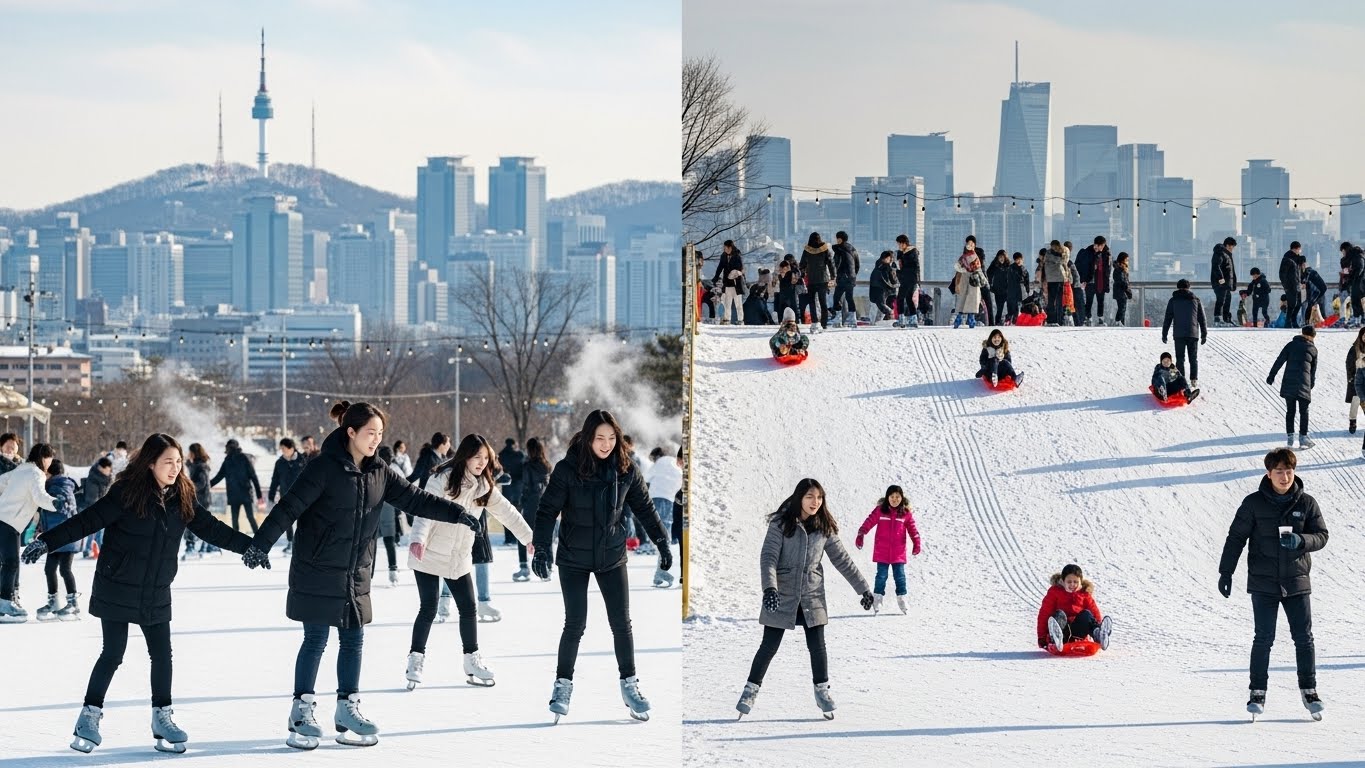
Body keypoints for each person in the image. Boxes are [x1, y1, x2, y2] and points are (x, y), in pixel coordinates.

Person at [242, 401, 480, 749]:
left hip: (356, 572)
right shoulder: (321, 468)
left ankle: (347, 708)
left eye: (380, 434)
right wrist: (260, 543)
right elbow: (289, 506)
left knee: (354, 640)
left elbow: (416, 499)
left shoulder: (379, 471)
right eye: (371, 433)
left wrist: (456, 512)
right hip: (317, 568)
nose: (376, 440)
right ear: (350, 432)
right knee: (316, 639)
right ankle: (301, 709)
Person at [20, 433, 256, 753]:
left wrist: (250, 547)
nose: (175, 469)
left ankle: (163, 717)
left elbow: (212, 529)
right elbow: (87, 521)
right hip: (117, 584)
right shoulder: (126, 493)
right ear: (150, 464)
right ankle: (89, 717)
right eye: (167, 462)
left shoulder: (183, 496)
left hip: (156, 587)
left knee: (162, 655)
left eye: (178, 462)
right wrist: (47, 541)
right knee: (113, 654)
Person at [530, 409, 672, 723]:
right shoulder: (568, 469)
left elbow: (645, 508)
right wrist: (541, 549)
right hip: (572, 558)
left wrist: (662, 542)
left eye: (611, 438)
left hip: (611, 556)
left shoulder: (626, 469)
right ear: (589, 438)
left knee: (621, 623)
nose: (606, 444)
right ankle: (562, 686)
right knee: (575, 623)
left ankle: (630, 685)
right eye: (600, 438)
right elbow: (546, 510)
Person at [405, 434, 534, 691]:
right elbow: (424, 510)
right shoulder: (442, 479)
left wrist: (529, 538)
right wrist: (417, 539)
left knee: (469, 608)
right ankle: (415, 661)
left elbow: (508, 512)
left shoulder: (484, 487)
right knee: (429, 608)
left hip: (458, 556)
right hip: (429, 552)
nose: (481, 462)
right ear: (465, 456)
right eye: (477, 457)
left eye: (485, 458)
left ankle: (471, 661)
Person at [735, 478, 872, 720]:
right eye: (810, 497)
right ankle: (749, 692)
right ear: (799, 497)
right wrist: (770, 589)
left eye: (819, 498)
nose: (815, 502)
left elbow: (842, 559)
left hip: (812, 593)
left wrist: (863, 589)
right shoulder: (781, 523)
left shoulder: (824, 526)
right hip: (782, 593)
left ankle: (822, 692)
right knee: (769, 646)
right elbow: (768, 557)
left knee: (817, 646)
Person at [1218, 448, 1328, 719]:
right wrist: (1226, 572)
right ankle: (1257, 692)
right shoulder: (1253, 503)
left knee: (1304, 639)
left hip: (1297, 580)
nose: (1285, 476)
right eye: (1279, 471)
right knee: (1263, 638)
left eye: (1289, 471)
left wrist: (1302, 541)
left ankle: (1309, 689)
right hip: (1263, 582)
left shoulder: (1307, 503)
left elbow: (1322, 535)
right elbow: (1235, 538)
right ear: (1269, 473)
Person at [0, 443, 56, 622]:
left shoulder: (20, 469)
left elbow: (1, 481)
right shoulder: (36, 474)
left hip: (3, 518)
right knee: (11, 563)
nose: (50, 463)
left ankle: (5, 601)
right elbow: (40, 497)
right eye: (50, 458)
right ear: (44, 458)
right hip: (10, 522)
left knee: (8, 563)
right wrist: (56, 503)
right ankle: (4, 603)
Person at [854, 485, 920, 615]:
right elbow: (869, 521)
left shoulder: (905, 514)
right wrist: (861, 534)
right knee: (881, 576)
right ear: (887, 497)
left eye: (897, 497)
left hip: (898, 552)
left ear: (902, 498)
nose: (895, 499)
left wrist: (916, 542)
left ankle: (902, 598)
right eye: (892, 497)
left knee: (900, 577)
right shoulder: (880, 511)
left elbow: (912, 529)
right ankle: (877, 599)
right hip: (882, 551)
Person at [35, 458, 81, 621]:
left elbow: (63, 504)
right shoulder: (55, 485)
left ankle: (73, 604)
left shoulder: (59, 485)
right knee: (49, 569)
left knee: (64, 569)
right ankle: (53, 601)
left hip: (66, 537)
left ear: (49, 472)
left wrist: (58, 502)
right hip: (55, 537)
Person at [1037, 563, 1113, 651]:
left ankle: (1098, 634)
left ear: (1081, 582)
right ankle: (1056, 637)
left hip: (1078, 632)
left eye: (1075, 582)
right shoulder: (1054, 593)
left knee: (1087, 614)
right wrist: (1042, 638)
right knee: (1059, 614)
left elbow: (1094, 612)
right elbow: (1044, 614)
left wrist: (1099, 625)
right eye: (1069, 582)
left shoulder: (1085, 594)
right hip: (1063, 630)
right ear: (1062, 581)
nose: (1072, 584)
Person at [1268, 325, 1319, 449]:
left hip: (1290, 382)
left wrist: (1272, 375)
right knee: (1303, 411)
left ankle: (1291, 438)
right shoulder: (1312, 349)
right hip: (1303, 383)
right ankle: (1302, 438)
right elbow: (1313, 371)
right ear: (1309, 336)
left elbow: (1279, 360)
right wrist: (1311, 383)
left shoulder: (1291, 345)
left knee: (1291, 411)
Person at [513, 437, 552, 581]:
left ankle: (524, 566)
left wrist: (521, 502)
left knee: (523, 534)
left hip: (530, 504)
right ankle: (547, 566)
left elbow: (526, 486)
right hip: (545, 504)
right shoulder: (547, 465)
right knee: (544, 536)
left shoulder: (527, 466)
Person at [645, 445, 683, 585]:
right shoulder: (674, 461)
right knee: (665, 535)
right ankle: (661, 571)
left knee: (662, 536)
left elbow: (646, 477)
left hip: (656, 498)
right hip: (671, 499)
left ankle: (661, 571)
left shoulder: (658, 464)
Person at [1162, 278, 1208, 389]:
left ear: (1178, 287)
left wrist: (1164, 333)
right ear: (1189, 287)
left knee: (1180, 359)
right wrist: (1204, 333)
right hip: (1193, 334)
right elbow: (1202, 318)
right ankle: (1194, 379)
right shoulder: (1195, 300)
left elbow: (1168, 318)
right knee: (1193, 358)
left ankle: (1181, 381)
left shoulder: (1173, 300)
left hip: (1179, 334)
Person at [211, 439, 262, 534]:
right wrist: (259, 495)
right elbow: (253, 476)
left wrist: (208, 485)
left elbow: (219, 476)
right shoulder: (240, 458)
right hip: (244, 493)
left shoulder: (231, 460)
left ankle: (237, 543)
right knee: (249, 517)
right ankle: (259, 540)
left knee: (236, 520)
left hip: (235, 494)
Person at [268, 438, 306, 556]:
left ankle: (302, 544)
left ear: (291, 448)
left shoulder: (303, 460)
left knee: (303, 521)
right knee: (288, 522)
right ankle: (290, 542)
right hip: (286, 497)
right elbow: (275, 480)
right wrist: (271, 495)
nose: (282, 451)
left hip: (302, 497)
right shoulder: (279, 463)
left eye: (283, 449)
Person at [182, 444, 216, 558]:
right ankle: (204, 545)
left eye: (189, 452)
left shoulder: (202, 466)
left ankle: (199, 545)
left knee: (195, 523)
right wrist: (188, 464)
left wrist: (188, 487)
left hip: (203, 500)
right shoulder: (196, 465)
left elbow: (202, 483)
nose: (188, 454)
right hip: (198, 499)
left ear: (194, 453)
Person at [799, 232, 836, 331]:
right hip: (823, 279)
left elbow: (802, 264)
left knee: (812, 302)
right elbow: (831, 263)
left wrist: (803, 272)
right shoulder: (824, 249)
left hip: (811, 279)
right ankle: (824, 324)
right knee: (822, 302)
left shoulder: (807, 250)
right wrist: (833, 276)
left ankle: (814, 322)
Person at [80, 456, 114, 558]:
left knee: (100, 530)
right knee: (94, 530)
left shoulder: (106, 478)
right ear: (101, 468)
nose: (109, 472)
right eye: (108, 469)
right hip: (93, 507)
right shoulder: (93, 479)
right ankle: (88, 550)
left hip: (102, 508)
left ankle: (98, 549)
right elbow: (92, 498)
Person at [1075, 236, 1112, 326]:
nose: (1101, 247)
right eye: (1100, 245)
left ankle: (1100, 318)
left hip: (1101, 280)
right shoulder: (1088, 252)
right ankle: (1088, 318)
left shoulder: (1106, 253)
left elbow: (1108, 268)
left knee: (1101, 300)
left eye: (1102, 245)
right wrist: (1084, 279)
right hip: (1090, 281)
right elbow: (1083, 266)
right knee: (1089, 300)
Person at [952, 235, 986, 329]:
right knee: (962, 298)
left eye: (971, 243)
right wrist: (957, 284)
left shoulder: (977, 255)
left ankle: (971, 318)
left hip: (974, 279)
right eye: (968, 243)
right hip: (964, 278)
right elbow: (958, 270)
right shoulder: (963, 257)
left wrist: (983, 280)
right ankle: (959, 318)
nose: (969, 245)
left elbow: (980, 269)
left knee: (973, 298)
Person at [497, 438, 526, 545]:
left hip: (506, 487)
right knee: (517, 513)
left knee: (506, 512)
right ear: (514, 444)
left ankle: (508, 538)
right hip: (518, 487)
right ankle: (517, 536)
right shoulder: (520, 455)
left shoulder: (501, 455)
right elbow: (524, 469)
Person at [829, 231, 861, 328]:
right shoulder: (853, 249)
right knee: (849, 298)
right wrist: (853, 275)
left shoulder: (839, 249)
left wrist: (834, 276)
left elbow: (836, 264)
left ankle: (838, 318)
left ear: (840, 239)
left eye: (837, 238)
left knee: (837, 298)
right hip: (851, 278)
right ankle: (853, 318)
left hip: (842, 277)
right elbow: (857, 265)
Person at [713, 239, 746, 325]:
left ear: (730, 247)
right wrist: (716, 277)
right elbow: (720, 267)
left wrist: (736, 273)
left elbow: (741, 268)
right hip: (727, 283)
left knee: (738, 303)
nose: (725, 249)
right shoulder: (723, 256)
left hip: (736, 283)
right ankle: (727, 319)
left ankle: (740, 320)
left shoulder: (737, 255)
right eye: (724, 248)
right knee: (727, 303)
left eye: (726, 248)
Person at [1211, 236, 1239, 326]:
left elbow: (1231, 271)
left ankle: (1226, 319)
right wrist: (1221, 279)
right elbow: (1216, 266)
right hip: (1220, 283)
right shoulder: (1219, 252)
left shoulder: (1227, 254)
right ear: (1227, 245)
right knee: (1221, 300)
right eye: (1231, 247)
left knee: (1227, 299)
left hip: (1226, 283)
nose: (1232, 249)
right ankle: (1217, 318)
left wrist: (1232, 283)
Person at [894, 235, 921, 328]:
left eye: (899, 244)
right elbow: (899, 265)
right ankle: (913, 319)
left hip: (910, 278)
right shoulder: (901, 253)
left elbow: (915, 267)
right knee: (909, 298)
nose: (899, 246)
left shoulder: (912, 252)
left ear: (904, 243)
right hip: (906, 278)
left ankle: (901, 319)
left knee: (900, 298)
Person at [1041, 241, 1069, 325]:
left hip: (1058, 279)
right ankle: (1054, 320)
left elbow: (1064, 261)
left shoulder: (1052, 254)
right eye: (1053, 247)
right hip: (1054, 280)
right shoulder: (1050, 254)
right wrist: (1061, 256)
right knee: (1053, 301)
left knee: (1057, 301)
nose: (1055, 248)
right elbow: (1061, 261)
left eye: (1056, 247)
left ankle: (1057, 320)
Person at [868, 250, 899, 324]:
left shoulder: (884, 265)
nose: (889, 259)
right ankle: (876, 321)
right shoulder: (884, 266)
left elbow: (893, 280)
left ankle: (876, 322)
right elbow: (892, 280)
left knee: (879, 306)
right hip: (882, 289)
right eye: (888, 258)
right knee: (879, 305)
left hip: (884, 290)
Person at [1347, 328, 1365, 443]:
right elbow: (1349, 363)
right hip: (1356, 379)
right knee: (1355, 401)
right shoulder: (1355, 348)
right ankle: (1352, 420)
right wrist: (1351, 377)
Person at [1280, 242, 1303, 326]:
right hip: (1290, 286)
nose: (1300, 251)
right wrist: (1286, 286)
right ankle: (1288, 322)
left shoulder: (1295, 259)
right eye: (1299, 249)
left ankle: (1293, 320)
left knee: (1298, 303)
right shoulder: (1287, 259)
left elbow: (1298, 273)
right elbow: (1282, 274)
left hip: (1297, 285)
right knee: (1291, 304)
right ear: (1296, 248)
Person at [1003, 252, 1030, 323]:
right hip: (1012, 291)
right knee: (1012, 308)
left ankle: (1015, 321)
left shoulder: (1024, 269)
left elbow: (1027, 281)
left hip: (1020, 292)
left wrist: (1027, 290)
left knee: (1018, 308)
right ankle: (1011, 321)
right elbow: (1012, 280)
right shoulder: (1011, 268)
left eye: (1020, 259)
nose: (1018, 261)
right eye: (1017, 260)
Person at [986, 250, 1010, 324]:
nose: (1001, 259)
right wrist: (990, 285)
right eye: (1000, 257)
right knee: (999, 308)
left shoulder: (1009, 265)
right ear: (997, 258)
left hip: (1008, 290)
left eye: (1003, 257)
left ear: (1005, 257)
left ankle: (1009, 322)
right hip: (998, 290)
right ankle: (997, 323)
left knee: (1011, 308)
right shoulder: (994, 265)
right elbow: (988, 273)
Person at [1112, 252, 1133, 326]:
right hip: (1120, 291)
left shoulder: (1121, 268)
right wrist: (1128, 291)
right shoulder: (1120, 269)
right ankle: (1118, 321)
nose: (1127, 261)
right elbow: (1123, 281)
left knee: (1122, 307)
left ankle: (1121, 323)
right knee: (1122, 307)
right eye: (1126, 259)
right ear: (1122, 259)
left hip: (1120, 291)